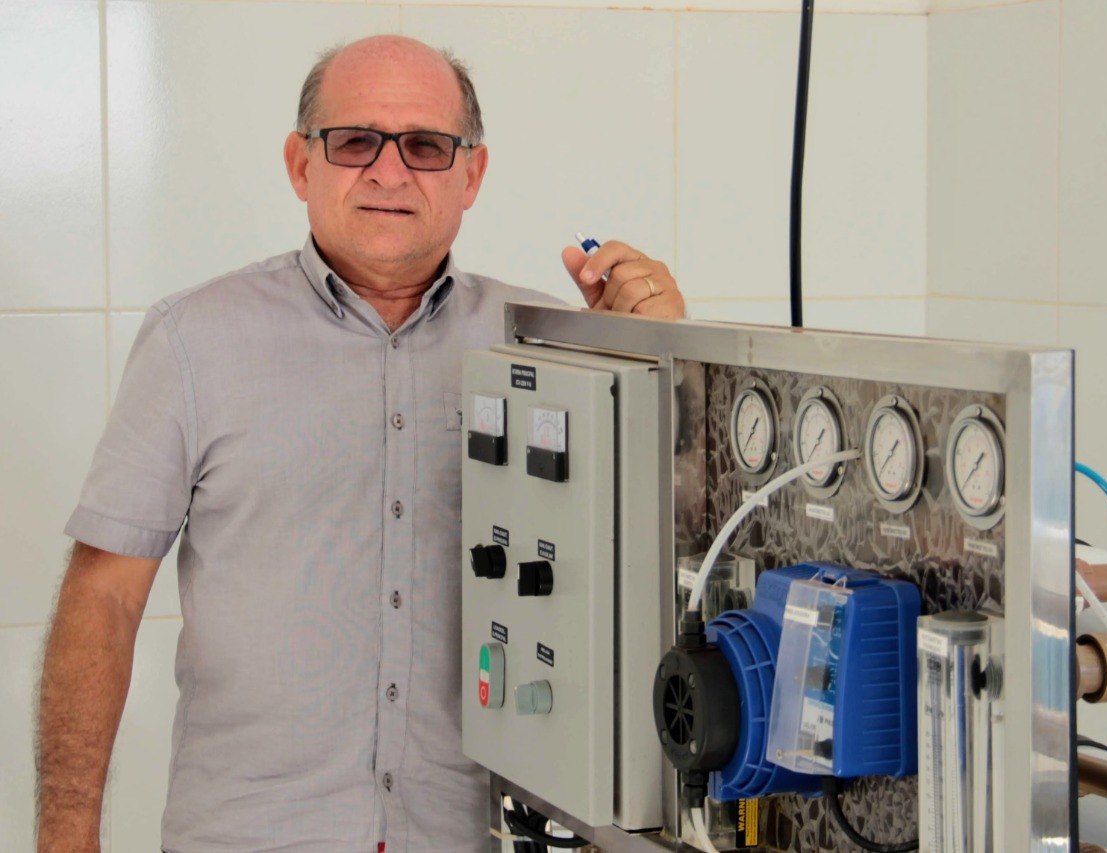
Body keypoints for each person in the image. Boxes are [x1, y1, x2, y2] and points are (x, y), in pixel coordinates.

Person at [36, 35, 685, 853]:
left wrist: (664, 363)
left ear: (471, 174)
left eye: (425, 146)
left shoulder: (550, 349)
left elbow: (676, 557)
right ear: (300, 164)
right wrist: (66, 833)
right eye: (355, 142)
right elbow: (104, 595)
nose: (388, 172)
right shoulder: (192, 341)